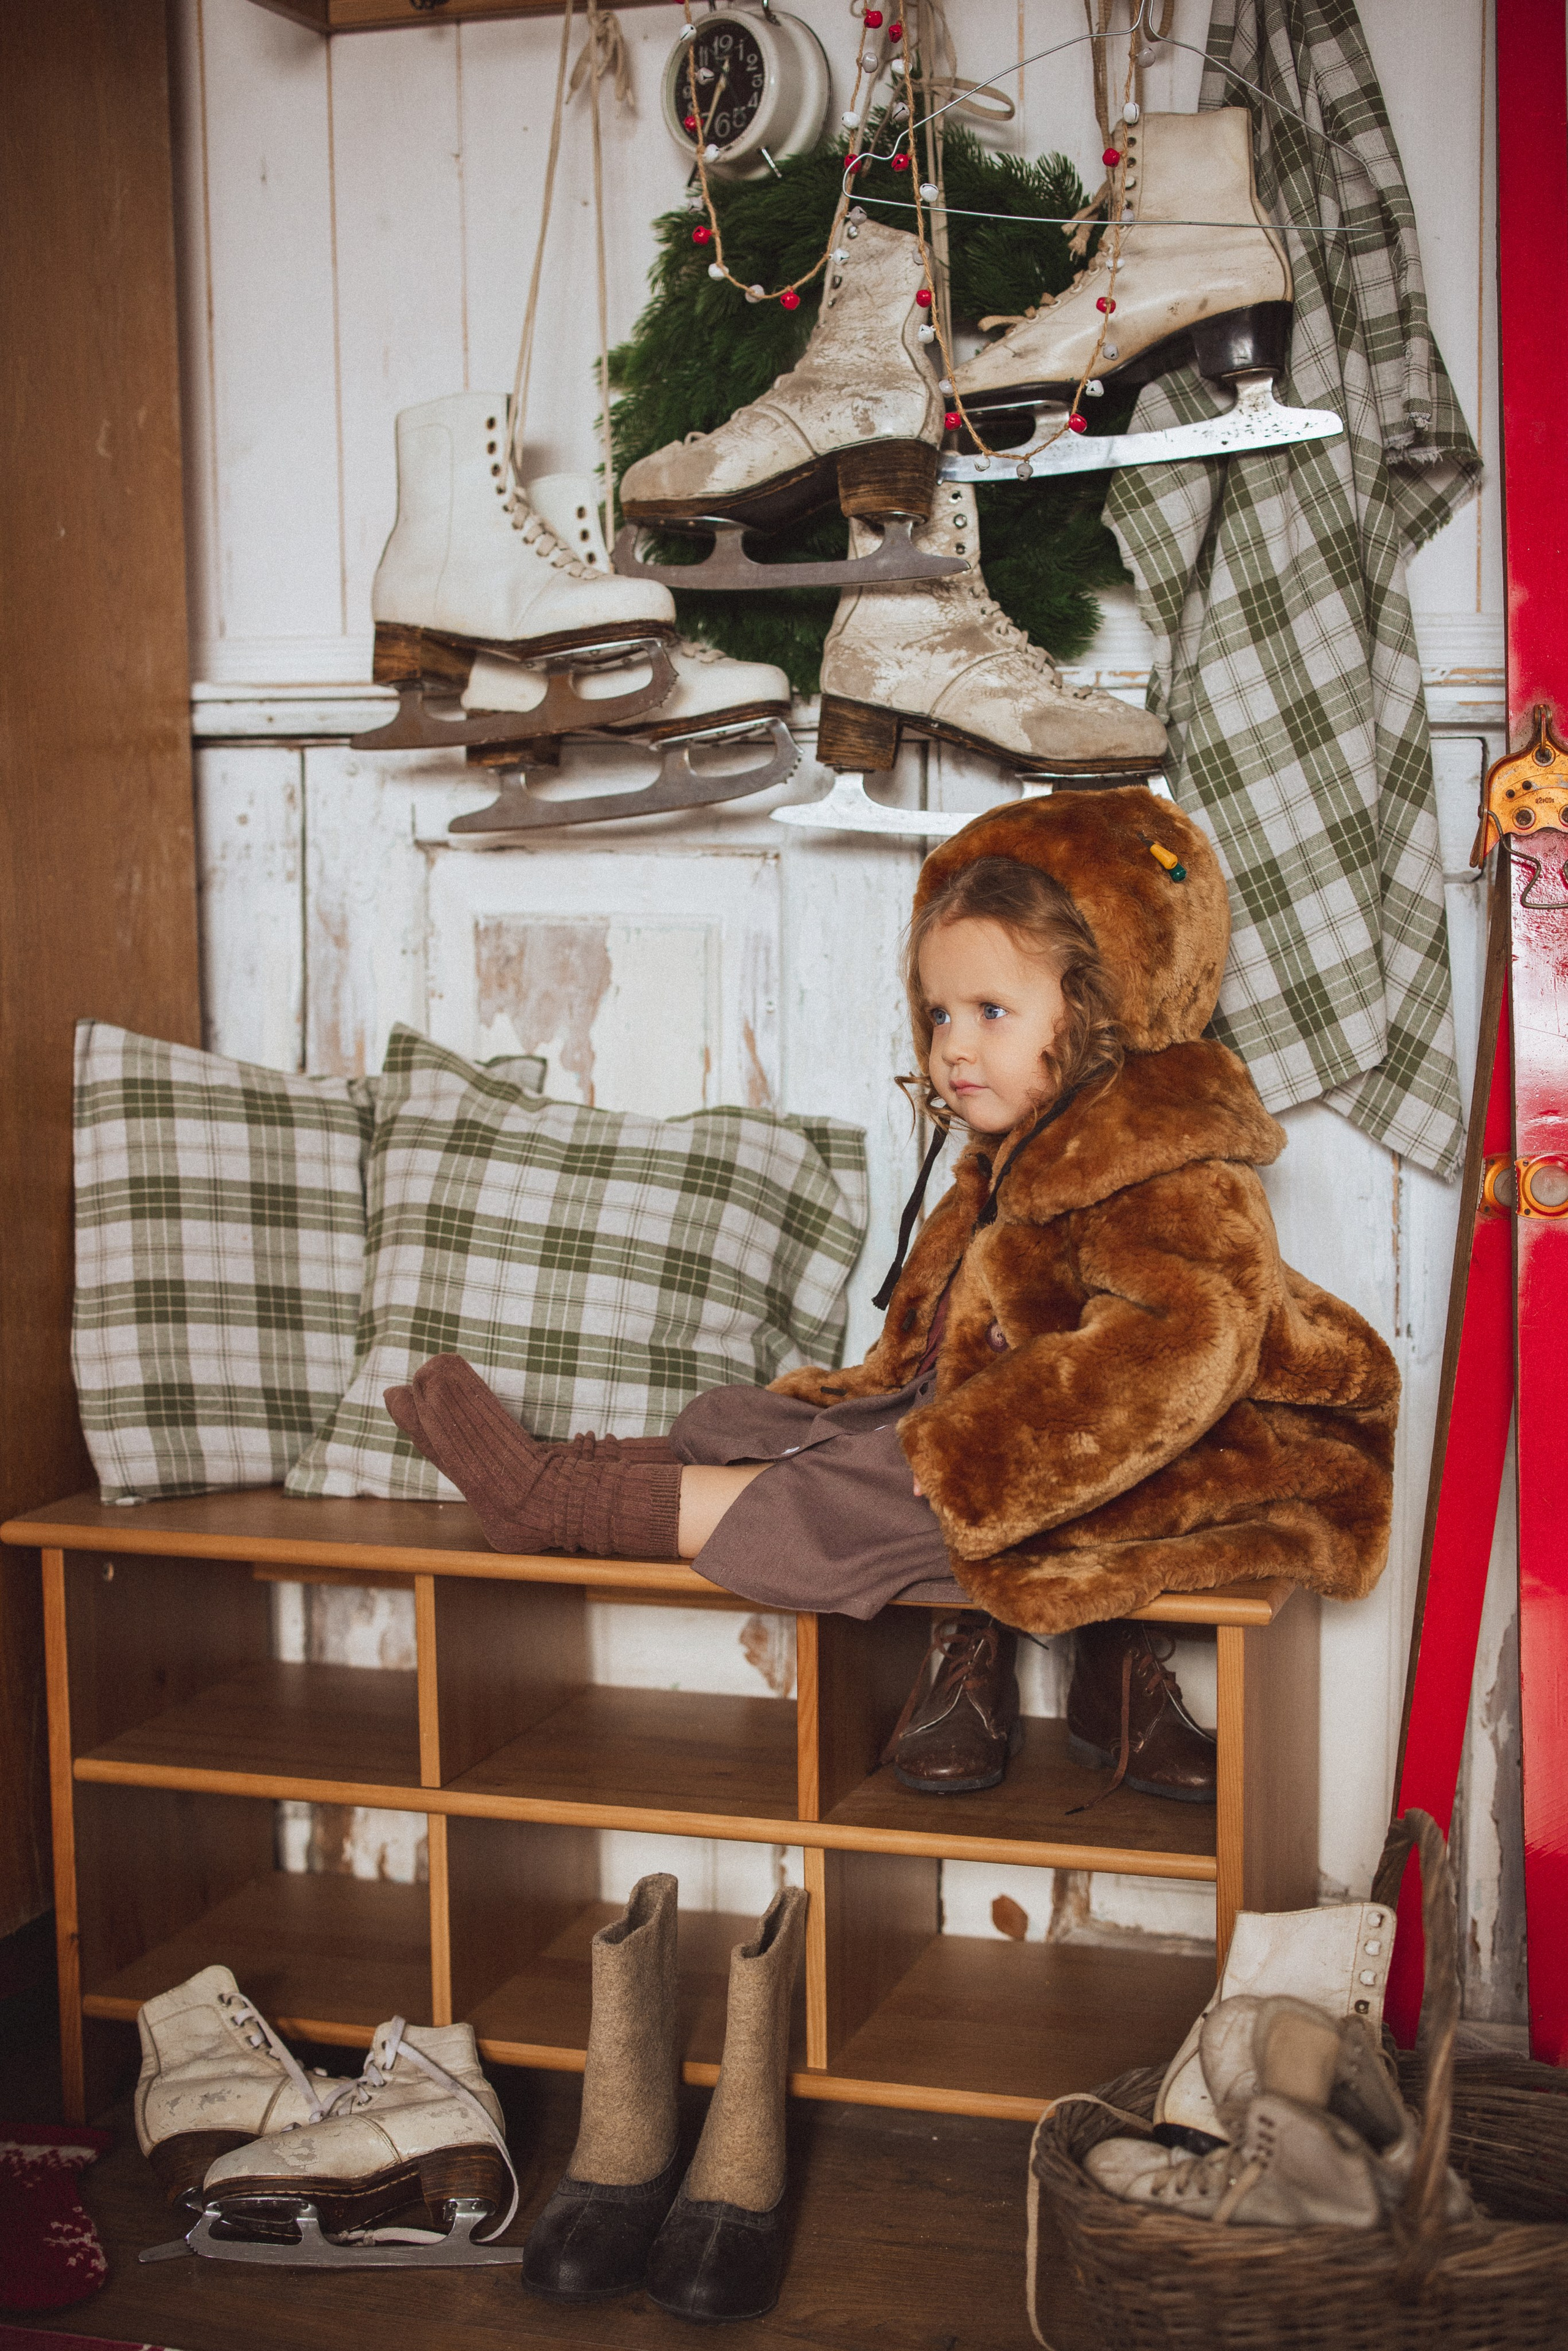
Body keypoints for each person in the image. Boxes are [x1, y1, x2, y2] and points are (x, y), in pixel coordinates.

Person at [386, 788, 1398, 1802]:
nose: (955, 1045)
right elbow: (936, 1328)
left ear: (1092, 1011)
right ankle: (578, 1462)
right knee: (743, 1421)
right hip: (1029, 1431)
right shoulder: (1012, 1153)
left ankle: (553, 1500)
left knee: (856, 1495)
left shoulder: (1169, 1163)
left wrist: (958, 1452)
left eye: (991, 1012)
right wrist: (853, 1405)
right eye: (940, 1013)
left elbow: (1182, 1350)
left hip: (1167, 1455)